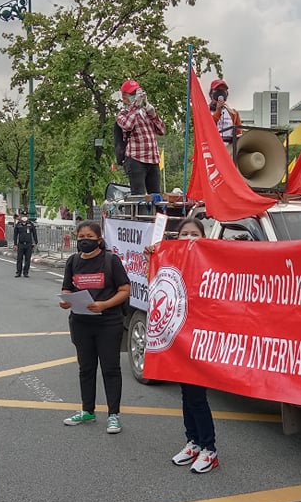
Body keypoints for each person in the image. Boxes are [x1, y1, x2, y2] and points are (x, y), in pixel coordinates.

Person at [146, 218, 220, 473]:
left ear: (204, 236)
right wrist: (153, 257)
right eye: (184, 233)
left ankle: (209, 449)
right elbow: (157, 286)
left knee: (198, 397)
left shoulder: (212, 262)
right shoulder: (171, 261)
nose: (188, 238)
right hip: (179, 341)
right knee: (187, 396)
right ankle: (193, 442)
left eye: (194, 233)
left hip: (200, 341)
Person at [59, 220, 130, 434]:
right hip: (81, 322)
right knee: (86, 368)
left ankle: (113, 415)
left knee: (110, 368)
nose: (85, 241)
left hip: (108, 322)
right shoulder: (72, 261)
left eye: (90, 237)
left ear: (99, 239)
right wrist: (65, 301)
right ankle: (87, 410)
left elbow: (125, 289)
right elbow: (67, 289)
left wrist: (105, 304)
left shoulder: (111, 261)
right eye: (81, 238)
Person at [116, 79, 166, 194]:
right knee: (138, 197)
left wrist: (154, 115)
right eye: (133, 94)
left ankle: (155, 212)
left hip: (153, 159)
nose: (136, 96)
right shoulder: (122, 114)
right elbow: (127, 125)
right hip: (136, 159)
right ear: (124, 97)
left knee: (156, 197)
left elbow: (162, 130)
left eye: (137, 93)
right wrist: (135, 106)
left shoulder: (145, 112)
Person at [209, 79, 241, 144]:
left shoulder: (234, 113)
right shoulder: (205, 111)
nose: (220, 93)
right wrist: (218, 111)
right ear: (211, 94)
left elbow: (239, 133)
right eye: (218, 90)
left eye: (223, 91)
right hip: (212, 149)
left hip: (229, 151)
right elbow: (208, 128)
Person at [13, 209, 37, 277]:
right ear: (21, 216)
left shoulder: (30, 224)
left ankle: (26, 272)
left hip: (29, 244)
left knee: (27, 259)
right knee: (19, 259)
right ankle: (18, 272)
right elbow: (15, 235)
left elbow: (34, 233)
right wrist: (15, 244)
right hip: (20, 244)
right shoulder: (18, 224)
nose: (24, 217)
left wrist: (35, 242)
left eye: (26, 215)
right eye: (23, 215)